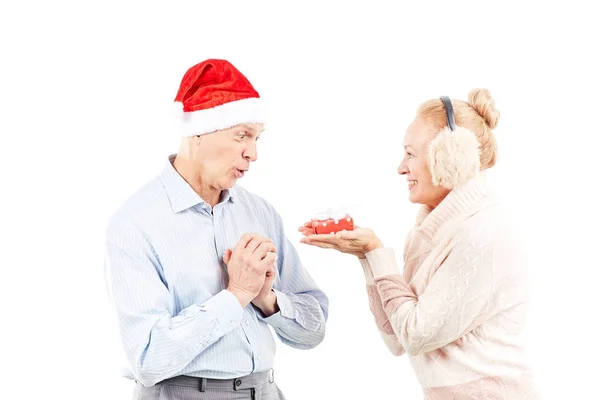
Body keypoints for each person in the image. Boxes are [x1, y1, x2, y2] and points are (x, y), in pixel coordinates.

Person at [104, 59, 328, 400]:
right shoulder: (136, 222)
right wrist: (236, 294)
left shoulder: (260, 212)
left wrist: (266, 298)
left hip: (266, 391)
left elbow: (314, 330)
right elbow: (147, 359)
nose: (252, 153)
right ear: (197, 133)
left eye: (257, 138)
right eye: (242, 135)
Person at [299, 89, 541, 399]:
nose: (401, 167)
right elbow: (396, 340)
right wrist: (368, 257)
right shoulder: (427, 231)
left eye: (411, 154)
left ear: (451, 155)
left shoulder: (481, 233)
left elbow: (415, 335)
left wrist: (375, 252)